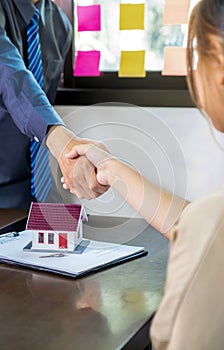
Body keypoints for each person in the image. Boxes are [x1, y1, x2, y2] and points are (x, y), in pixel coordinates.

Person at [63, 0, 224, 348]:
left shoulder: (213, 223)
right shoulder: (210, 221)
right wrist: (113, 169)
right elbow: (191, 223)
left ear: (219, 68)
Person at [0, 0, 107, 210]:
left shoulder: (60, 24)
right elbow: (10, 75)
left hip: (29, 190)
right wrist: (62, 140)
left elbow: (40, 97)